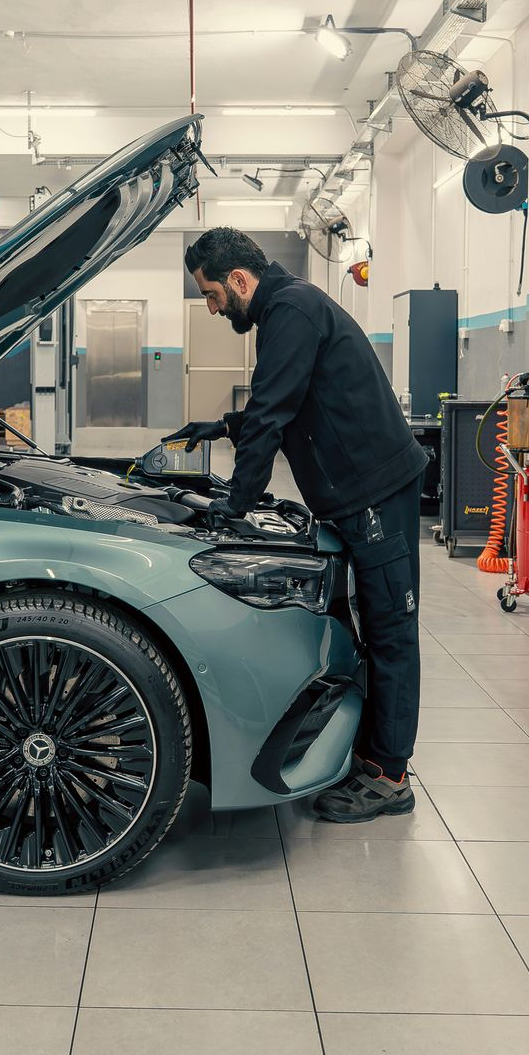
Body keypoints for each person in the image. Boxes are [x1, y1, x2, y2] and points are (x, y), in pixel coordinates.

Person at [168, 227, 428, 823]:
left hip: (375, 492)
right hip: (359, 492)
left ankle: (389, 776)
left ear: (238, 279)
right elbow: (293, 401)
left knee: (391, 628)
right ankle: (371, 752)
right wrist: (223, 427)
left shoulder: (291, 311)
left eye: (211, 294)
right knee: (372, 623)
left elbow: (273, 414)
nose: (212, 308)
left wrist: (235, 506)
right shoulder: (288, 310)